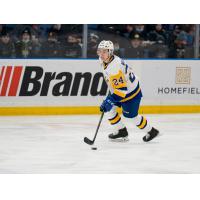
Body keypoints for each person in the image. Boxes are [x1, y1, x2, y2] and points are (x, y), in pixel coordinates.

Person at [97, 40, 159, 142]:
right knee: (109, 110)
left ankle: (152, 131)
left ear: (111, 52)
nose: (101, 54)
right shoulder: (104, 60)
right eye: (99, 51)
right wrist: (110, 97)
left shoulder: (114, 67)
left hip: (131, 93)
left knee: (131, 117)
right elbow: (116, 83)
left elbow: (122, 91)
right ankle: (121, 131)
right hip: (118, 90)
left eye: (104, 51)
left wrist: (110, 100)